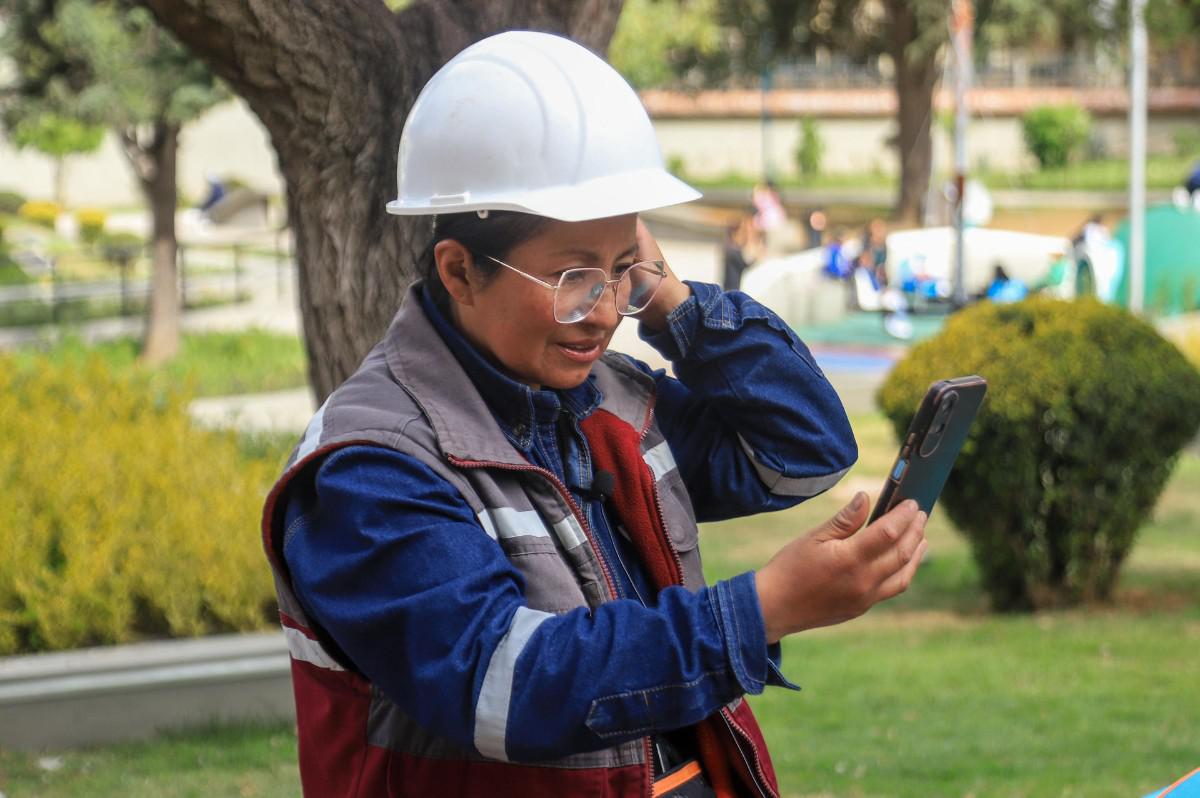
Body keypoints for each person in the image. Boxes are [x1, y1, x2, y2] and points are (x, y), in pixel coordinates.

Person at [262, 31, 927, 798]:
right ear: (458, 269)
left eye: (622, 270)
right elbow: (504, 685)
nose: (605, 312)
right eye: (573, 276)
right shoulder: (370, 467)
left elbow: (804, 448)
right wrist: (761, 610)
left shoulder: (604, 400)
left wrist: (671, 303)